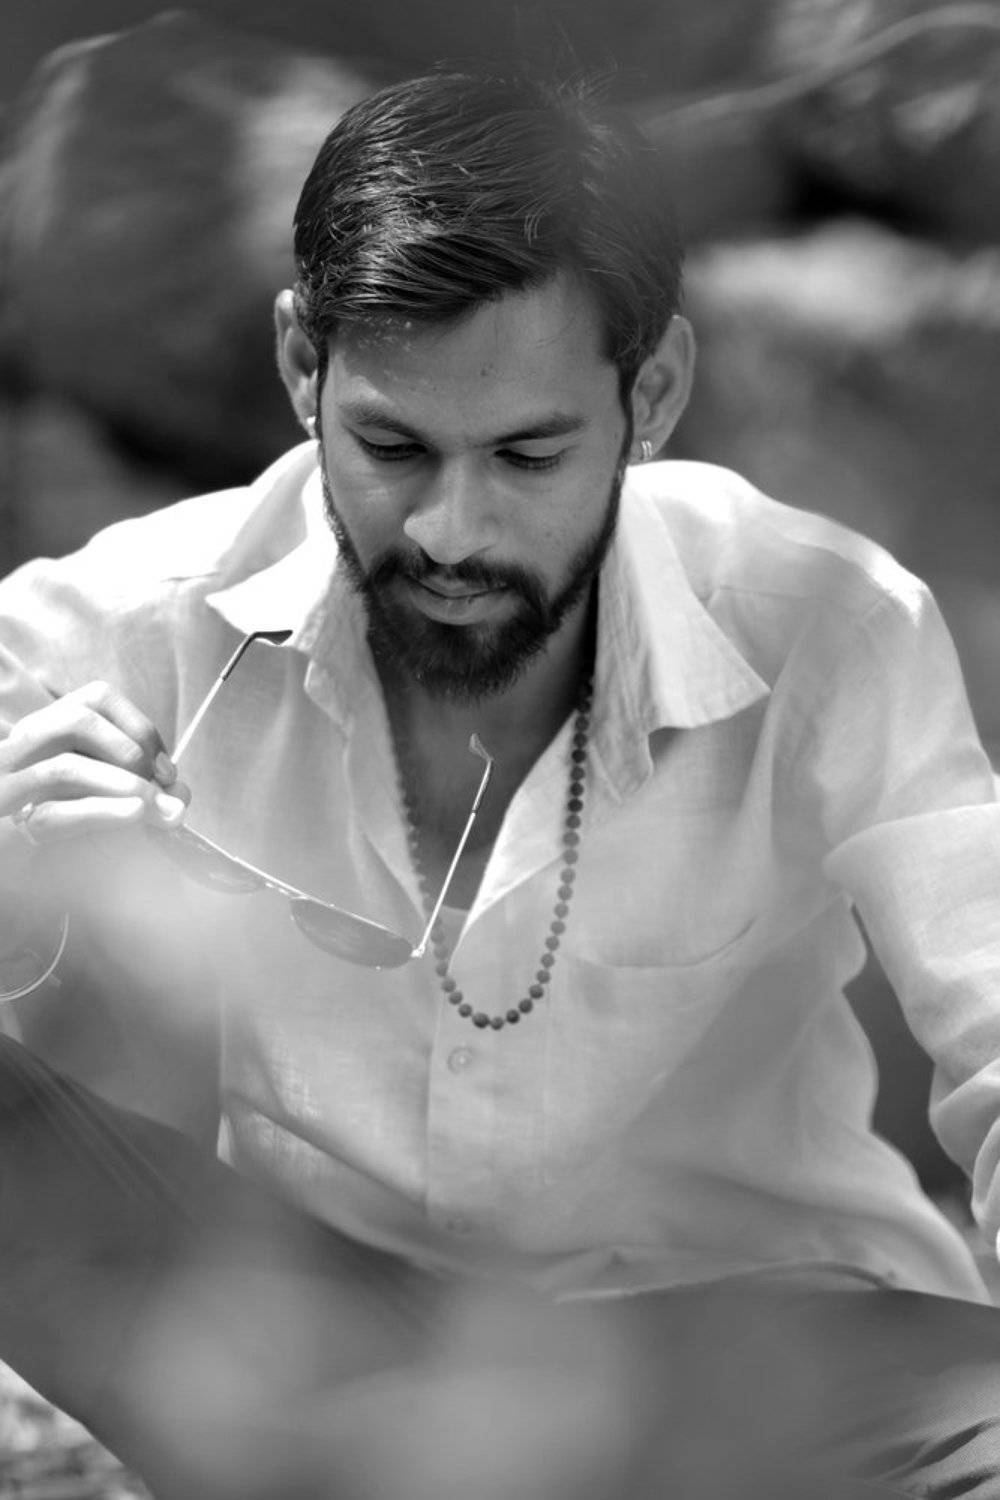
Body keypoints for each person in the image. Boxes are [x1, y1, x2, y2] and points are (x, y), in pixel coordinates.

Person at [1, 68, 1000, 1499]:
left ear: (653, 393)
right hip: (324, 1371)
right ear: (303, 370)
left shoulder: (825, 621)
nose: (452, 532)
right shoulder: (118, 625)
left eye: (529, 455)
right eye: (392, 449)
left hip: (780, 1353)